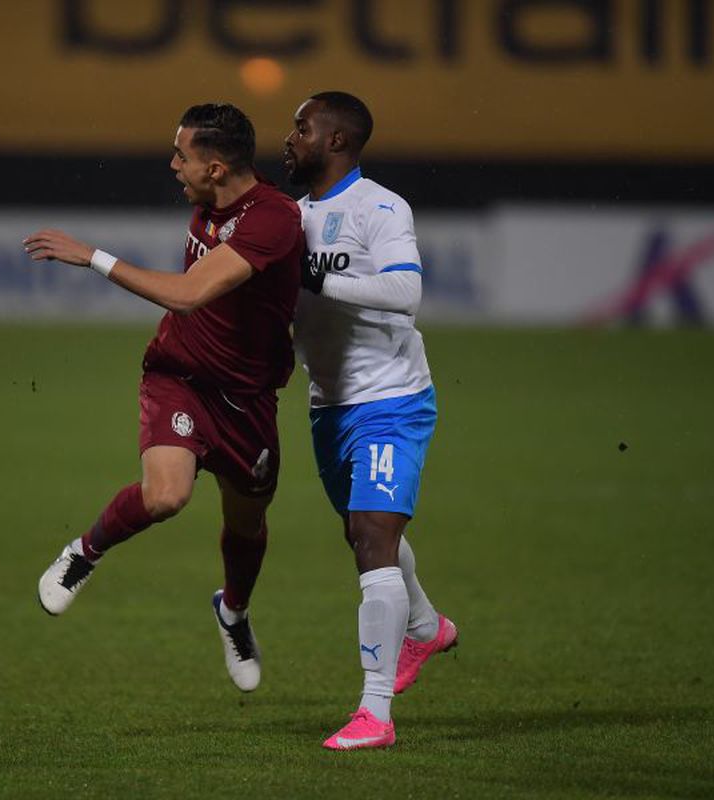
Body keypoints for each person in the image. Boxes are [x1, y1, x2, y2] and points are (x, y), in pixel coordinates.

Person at [25, 103, 303, 693]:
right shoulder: (209, 199)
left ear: (217, 168)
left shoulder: (273, 219)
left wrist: (92, 256)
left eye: (182, 156)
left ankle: (233, 612)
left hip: (248, 400)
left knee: (248, 521)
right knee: (167, 495)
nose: (173, 165)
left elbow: (187, 294)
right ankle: (83, 553)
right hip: (179, 376)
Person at [283, 91, 458, 750]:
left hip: (392, 399)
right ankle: (426, 627)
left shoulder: (379, 207)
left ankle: (375, 713)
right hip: (329, 405)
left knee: (372, 539)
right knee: (360, 532)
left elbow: (405, 292)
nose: (290, 138)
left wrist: (318, 281)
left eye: (302, 128)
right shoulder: (292, 216)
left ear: (336, 140)